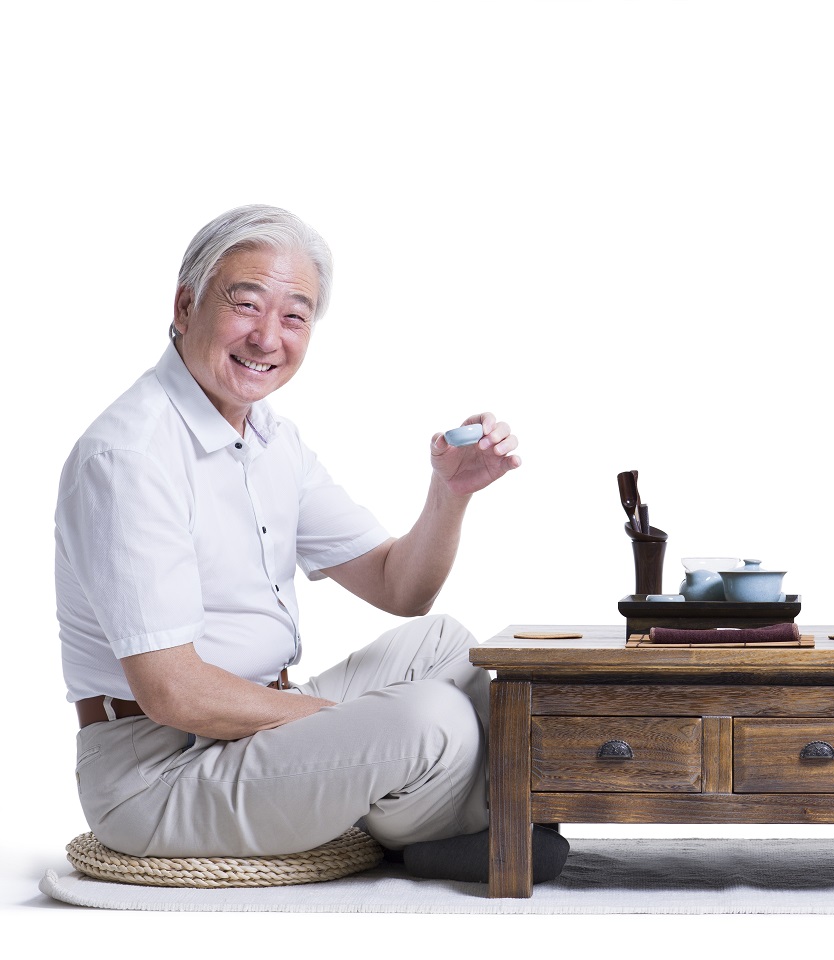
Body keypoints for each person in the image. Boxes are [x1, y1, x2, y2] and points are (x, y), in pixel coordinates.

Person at [55, 204, 568, 883]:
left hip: (252, 724)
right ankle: (453, 826)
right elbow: (175, 695)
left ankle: (460, 804)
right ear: (186, 305)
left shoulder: (271, 440)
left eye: (294, 316)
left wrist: (451, 491)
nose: (268, 337)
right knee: (430, 716)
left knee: (444, 642)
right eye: (246, 305)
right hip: (156, 773)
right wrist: (343, 720)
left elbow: (401, 589)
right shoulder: (131, 457)